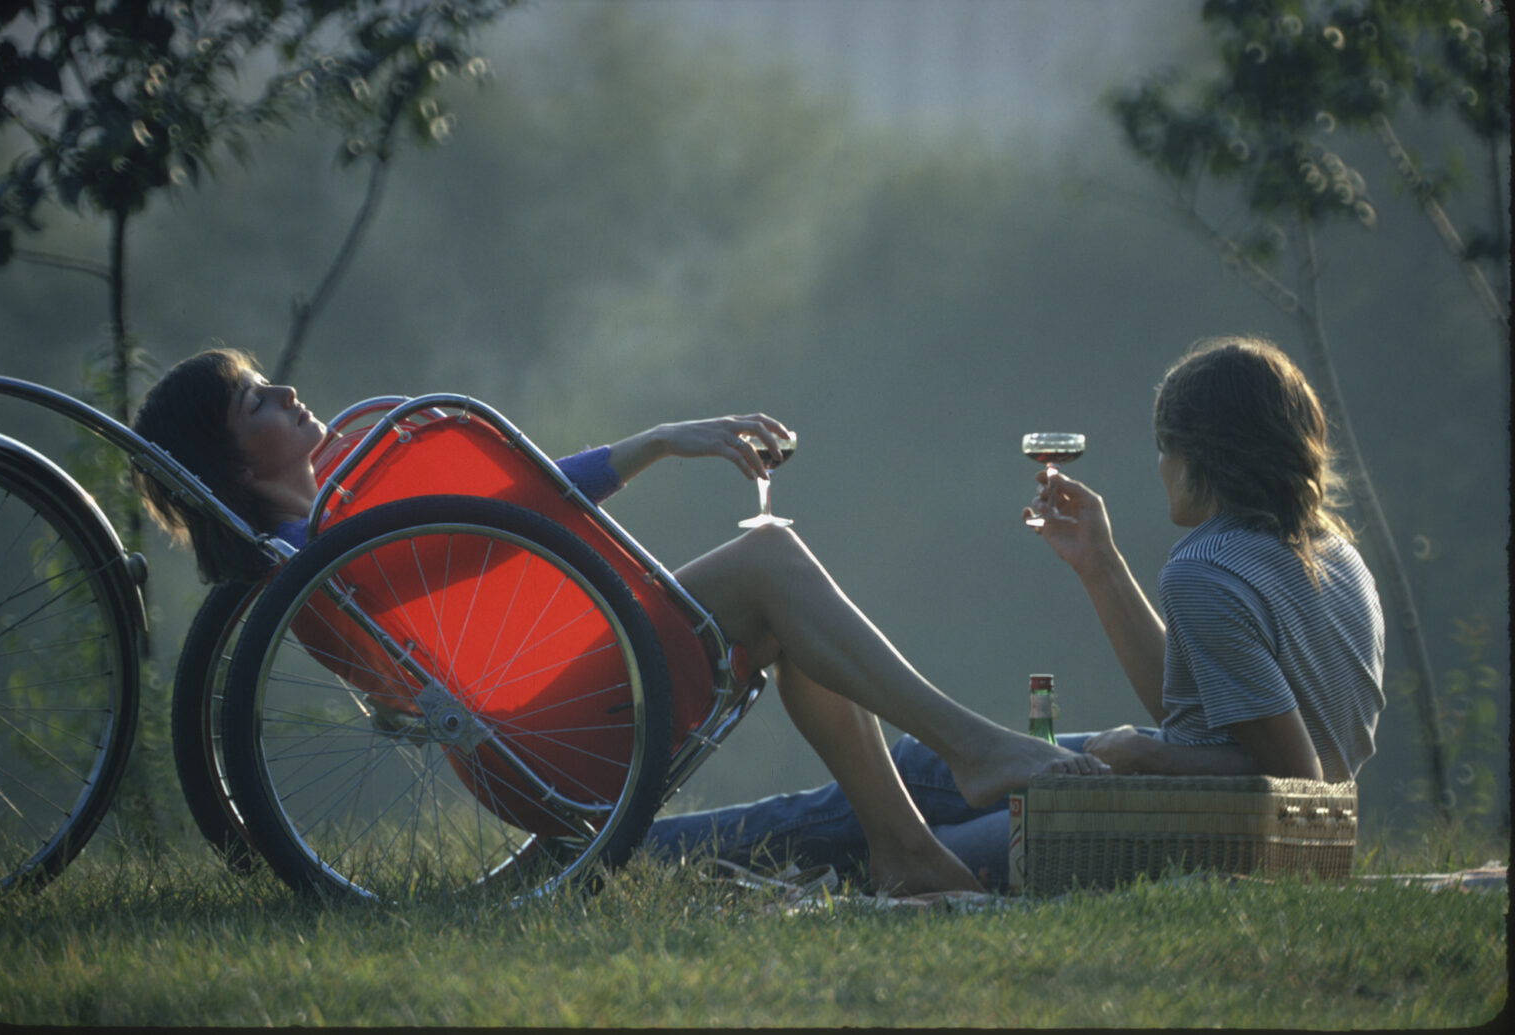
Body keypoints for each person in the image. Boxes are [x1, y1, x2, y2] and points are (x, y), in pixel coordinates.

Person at [131, 347, 1108, 896]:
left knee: (779, 602)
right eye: (260, 397)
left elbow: (506, 520)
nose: (291, 392)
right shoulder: (314, 552)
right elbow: (505, 529)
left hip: (543, 726)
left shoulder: (320, 540)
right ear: (230, 457)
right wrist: (657, 445)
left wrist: (658, 443)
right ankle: (975, 756)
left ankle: (908, 851)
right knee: (769, 558)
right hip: (545, 738)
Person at [646, 335, 1386, 885]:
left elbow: (1296, 782)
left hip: (1182, 833)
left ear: (1200, 453)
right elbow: (1204, 709)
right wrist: (1101, 565)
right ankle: (629, 847)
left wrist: (1148, 754)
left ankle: (622, 855)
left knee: (841, 830)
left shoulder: (1205, 569)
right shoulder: (1335, 556)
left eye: (1164, 446)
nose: (1158, 466)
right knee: (911, 768)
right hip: (1220, 817)